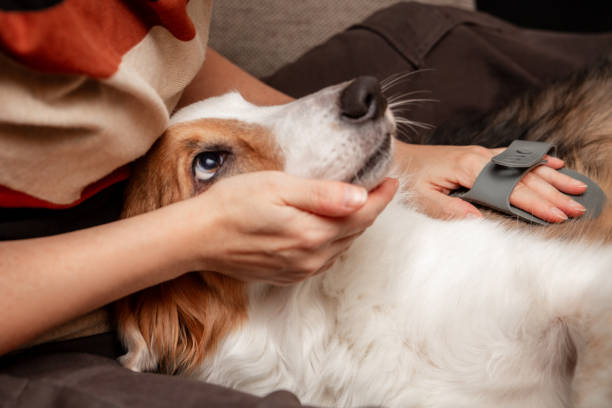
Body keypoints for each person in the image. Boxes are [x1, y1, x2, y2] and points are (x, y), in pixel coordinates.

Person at [0, 1, 602, 407]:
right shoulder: (171, 315)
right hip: (46, 313)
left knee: (429, 32)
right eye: (209, 164)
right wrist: (194, 236)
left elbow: (156, 57)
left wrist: (408, 157)